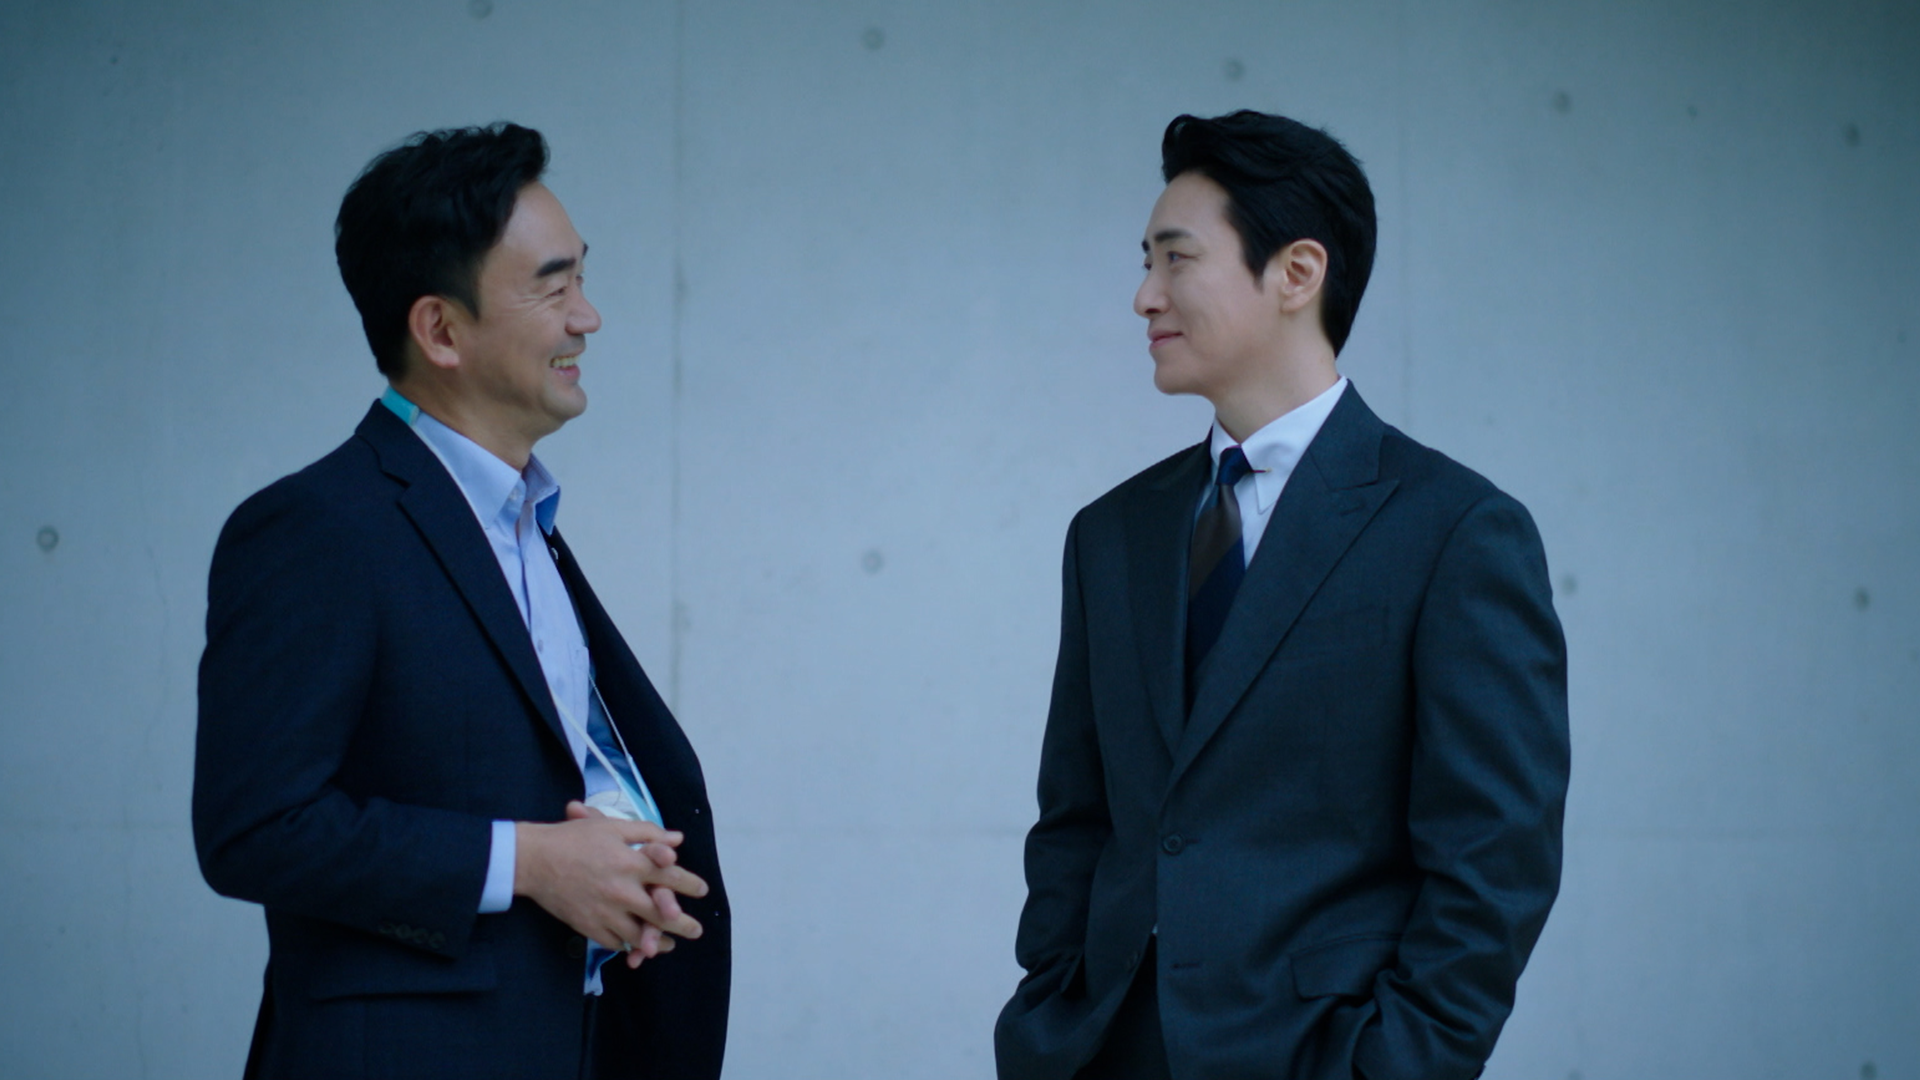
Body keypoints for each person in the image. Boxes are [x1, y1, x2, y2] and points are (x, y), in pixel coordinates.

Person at [995, 110, 1570, 1080]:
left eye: (1177, 258)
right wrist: (1048, 1012)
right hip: (1102, 1051)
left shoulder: (1456, 531)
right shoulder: (1112, 533)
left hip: (1319, 1055)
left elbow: (1494, 857)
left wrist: (1395, 1064)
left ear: (1297, 273)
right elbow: (1076, 819)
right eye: (1146, 262)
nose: (1144, 295)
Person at [193, 122, 729, 1080]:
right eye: (553, 287)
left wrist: (621, 879)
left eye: (583, 278)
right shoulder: (316, 528)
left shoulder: (527, 523)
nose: (588, 317)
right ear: (440, 330)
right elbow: (256, 829)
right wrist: (530, 863)